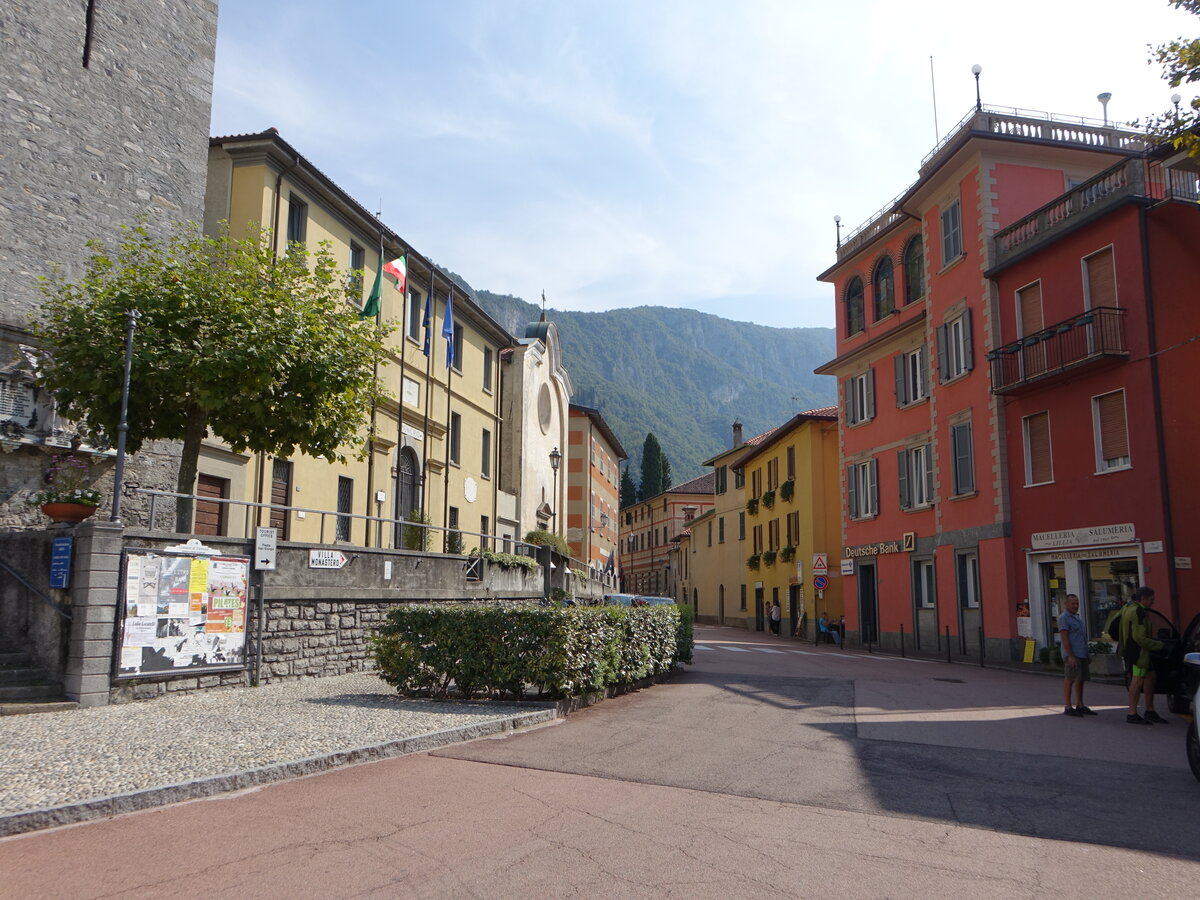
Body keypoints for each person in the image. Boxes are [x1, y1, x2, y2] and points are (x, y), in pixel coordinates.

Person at [1120, 586, 1166, 725]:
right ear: (1144, 598)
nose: (1153, 602)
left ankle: (1149, 710)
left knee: (1150, 676)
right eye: (1152, 599)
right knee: (1137, 680)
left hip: (1132, 650)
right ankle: (1132, 713)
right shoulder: (1138, 611)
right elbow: (1139, 637)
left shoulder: (1128, 607)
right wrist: (1159, 645)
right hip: (1138, 652)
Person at [1057, 594, 1094, 717]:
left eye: (1077, 603)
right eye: (1073, 603)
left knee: (1080, 679)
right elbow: (1064, 637)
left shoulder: (1076, 618)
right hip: (1072, 654)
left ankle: (1080, 705)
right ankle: (1068, 706)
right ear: (1066, 604)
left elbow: (1081, 637)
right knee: (1070, 679)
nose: (1075, 606)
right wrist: (1070, 656)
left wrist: (1086, 652)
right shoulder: (1064, 618)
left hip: (1081, 653)